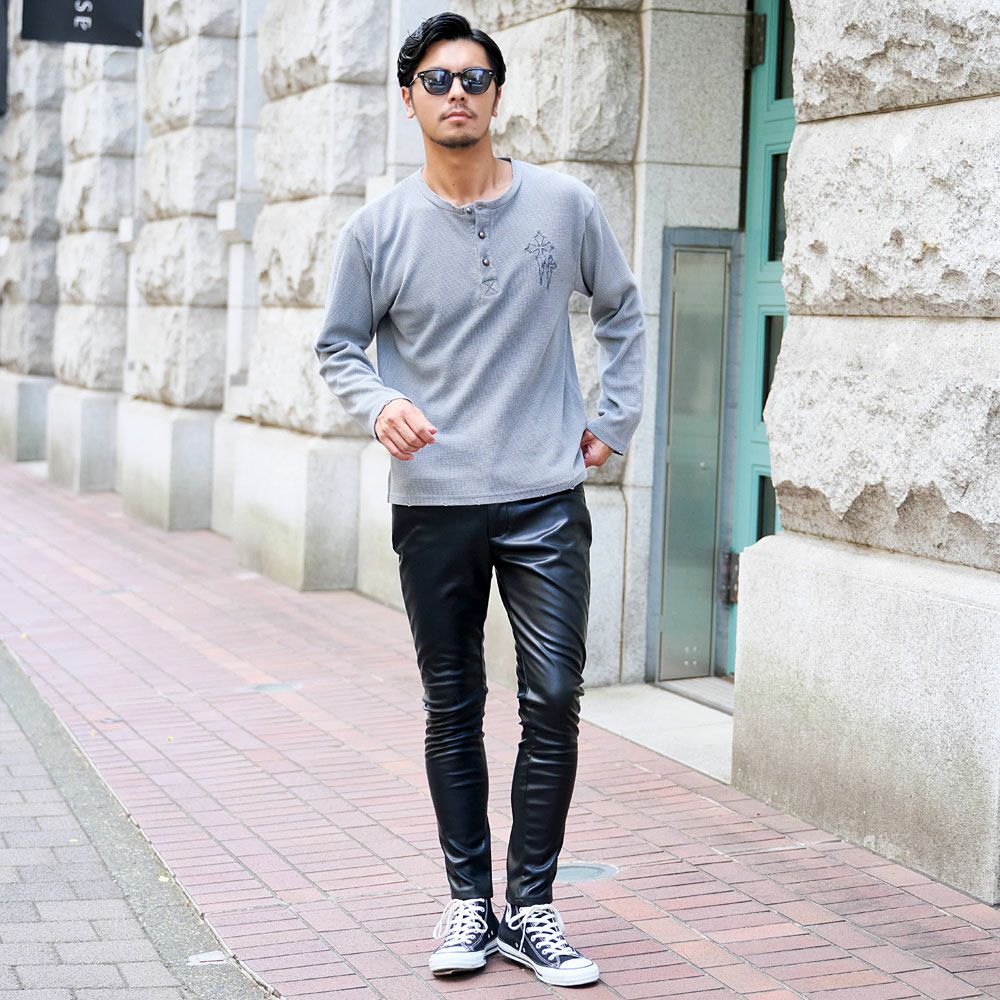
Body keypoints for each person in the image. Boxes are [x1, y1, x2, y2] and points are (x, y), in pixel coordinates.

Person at [314, 10, 645, 989]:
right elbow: (339, 346)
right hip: (434, 504)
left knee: (554, 697)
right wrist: (380, 404)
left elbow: (622, 311)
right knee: (453, 702)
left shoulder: (566, 205)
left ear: (497, 94)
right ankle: (469, 899)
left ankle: (532, 906)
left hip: (544, 496)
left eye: (472, 78)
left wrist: (615, 417)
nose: (455, 93)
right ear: (408, 98)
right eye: (436, 79)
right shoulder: (376, 229)